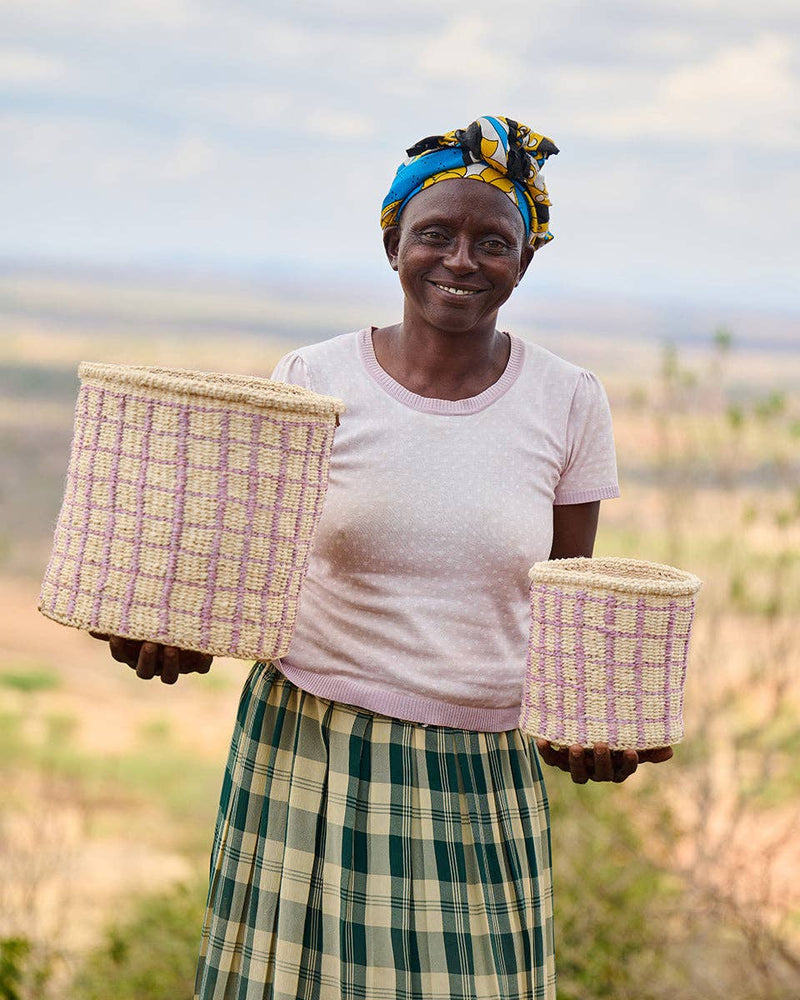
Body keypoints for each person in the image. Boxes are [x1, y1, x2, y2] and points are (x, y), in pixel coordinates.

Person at [94, 115, 673, 1000]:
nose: (461, 260)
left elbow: (571, 614)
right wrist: (165, 631)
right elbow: (248, 570)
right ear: (393, 241)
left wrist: (594, 730)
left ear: (525, 262)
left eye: (494, 240)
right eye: (434, 233)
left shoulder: (568, 402)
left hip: (478, 775)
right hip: (308, 749)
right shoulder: (316, 378)